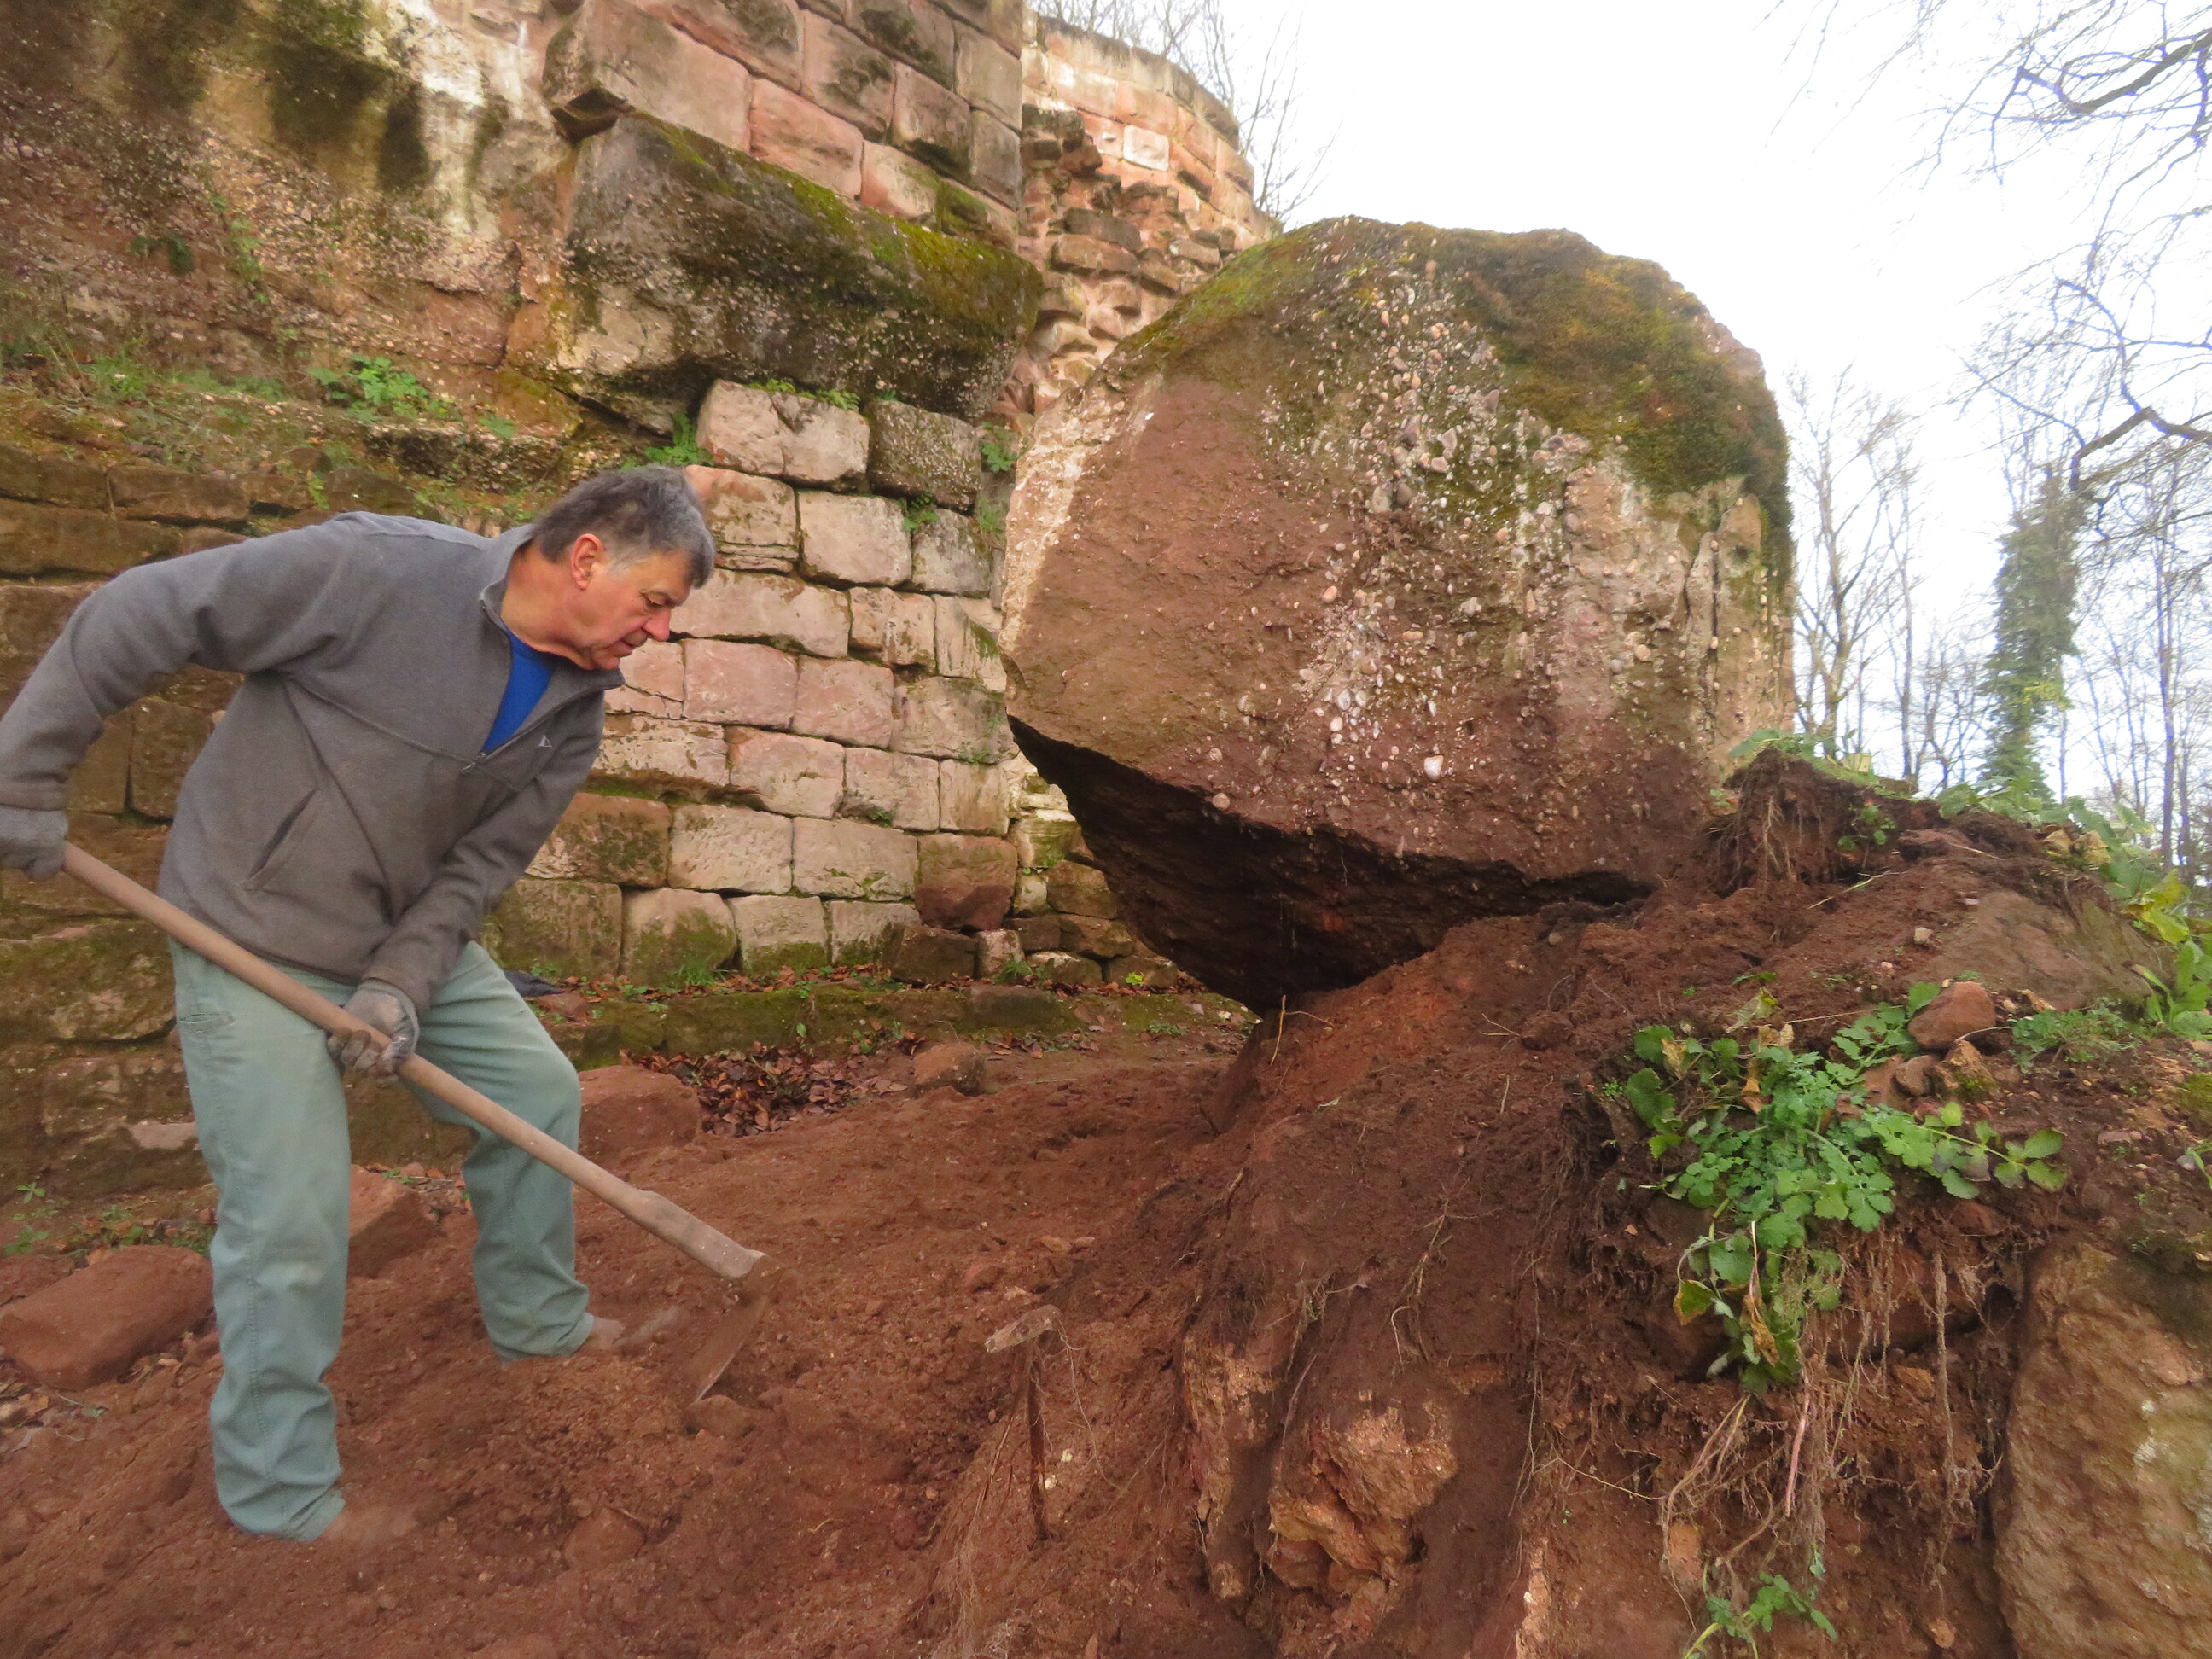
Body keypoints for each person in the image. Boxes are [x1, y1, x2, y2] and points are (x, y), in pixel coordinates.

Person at [0, 465, 712, 1543]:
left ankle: (541, 1328)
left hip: (397, 937)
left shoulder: (574, 715)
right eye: (654, 601)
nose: (658, 631)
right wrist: (24, 775)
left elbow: (476, 873)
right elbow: (142, 609)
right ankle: (282, 1494)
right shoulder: (378, 572)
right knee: (289, 1219)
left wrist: (399, 984)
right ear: (585, 559)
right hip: (252, 930)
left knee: (536, 1092)